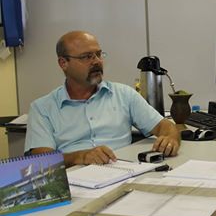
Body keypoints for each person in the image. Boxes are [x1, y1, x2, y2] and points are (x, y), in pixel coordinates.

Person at [24, 31, 181, 167]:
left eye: (98, 54)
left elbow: (164, 126)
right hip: (75, 182)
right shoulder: (42, 108)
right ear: (63, 63)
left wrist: (170, 138)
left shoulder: (123, 94)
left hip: (125, 172)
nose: (97, 61)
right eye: (87, 57)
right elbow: (41, 161)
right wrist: (80, 157)